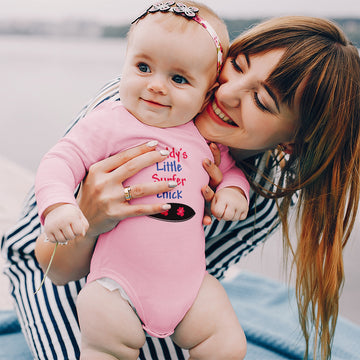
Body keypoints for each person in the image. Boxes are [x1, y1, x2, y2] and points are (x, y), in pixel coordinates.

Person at [2, 14, 360, 360]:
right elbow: (56, 268)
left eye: (262, 101)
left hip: (153, 288)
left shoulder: (263, 198)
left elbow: (187, 288)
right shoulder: (139, 101)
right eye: (237, 65)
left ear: (292, 142)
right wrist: (90, 214)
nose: (227, 94)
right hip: (51, 262)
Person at [34, 2, 249, 359]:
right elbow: (60, 159)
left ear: (207, 93)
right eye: (143, 67)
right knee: (106, 345)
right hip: (116, 285)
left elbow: (231, 171)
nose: (156, 86)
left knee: (226, 343)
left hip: (189, 286)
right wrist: (58, 205)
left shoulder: (200, 136)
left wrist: (233, 190)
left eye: (178, 79)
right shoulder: (110, 122)